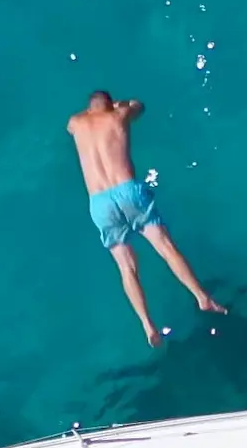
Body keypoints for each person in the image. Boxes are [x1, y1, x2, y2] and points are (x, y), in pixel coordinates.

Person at [66, 91, 227, 347]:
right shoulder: (119, 115)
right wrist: (122, 105)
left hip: (99, 202)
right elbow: (139, 107)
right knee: (165, 247)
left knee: (126, 267)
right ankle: (201, 297)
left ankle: (147, 325)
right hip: (128, 190)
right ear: (111, 106)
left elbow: (72, 124)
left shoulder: (76, 123)